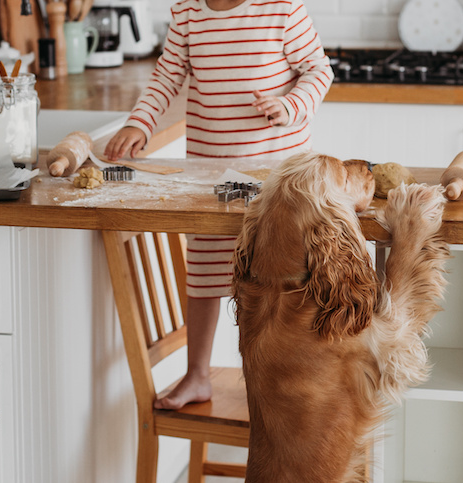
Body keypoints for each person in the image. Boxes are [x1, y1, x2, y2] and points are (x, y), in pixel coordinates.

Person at [104, 0, 334, 410]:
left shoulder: (281, 8)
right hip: (216, 176)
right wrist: (139, 122)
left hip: (276, 180)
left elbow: (318, 70)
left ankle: (279, 378)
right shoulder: (189, 13)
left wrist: (290, 106)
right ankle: (197, 375)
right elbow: (166, 76)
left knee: (275, 279)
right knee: (207, 267)